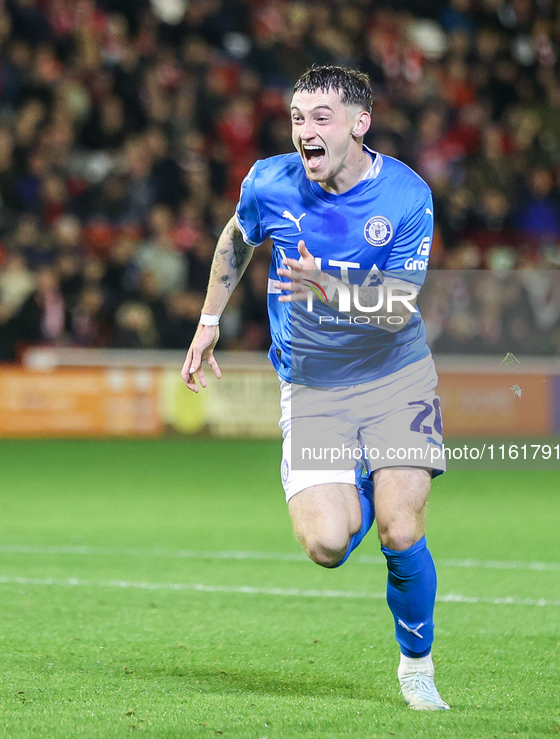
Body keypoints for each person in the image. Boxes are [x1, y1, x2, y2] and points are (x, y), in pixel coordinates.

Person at [181, 65, 449, 712]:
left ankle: (416, 664)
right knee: (327, 544)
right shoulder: (268, 181)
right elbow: (238, 236)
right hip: (312, 388)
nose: (305, 131)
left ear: (359, 123)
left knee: (399, 527)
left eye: (320, 118)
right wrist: (209, 320)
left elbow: (398, 305)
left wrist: (327, 284)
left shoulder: (405, 196)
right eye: (297, 117)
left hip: (394, 374)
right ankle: (361, 482)